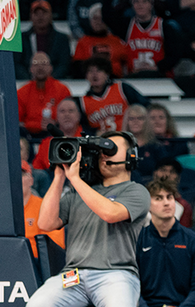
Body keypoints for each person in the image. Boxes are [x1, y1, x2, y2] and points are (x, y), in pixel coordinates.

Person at [27, 130, 150, 307]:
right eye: (100, 151)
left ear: (131, 156)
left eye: (110, 149)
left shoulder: (136, 191)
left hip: (115, 273)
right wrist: (59, 177)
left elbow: (110, 213)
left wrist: (76, 179)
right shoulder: (78, 192)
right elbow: (45, 223)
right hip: (73, 274)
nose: (103, 155)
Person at [137, 179, 195, 307]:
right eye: (158, 198)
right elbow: (132, 284)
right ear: (147, 205)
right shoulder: (137, 240)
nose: (166, 203)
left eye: (169, 197)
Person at [102, 0, 182, 78]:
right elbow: (107, 16)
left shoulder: (163, 26)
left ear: (151, 5)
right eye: (137, 2)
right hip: (134, 76)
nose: (140, 5)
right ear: (132, 5)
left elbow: (175, 53)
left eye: (144, 1)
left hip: (159, 77)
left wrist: (158, 67)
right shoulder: (127, 26)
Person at [79, 56, 149, 132]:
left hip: (127, 138)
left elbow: (146, 105)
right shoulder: (82, 101)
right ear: (86, 76)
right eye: (90, 71)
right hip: (101, 141)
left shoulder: (122, 88)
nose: (94, 74)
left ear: (107, 74)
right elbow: (84, 128)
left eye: (99, 70)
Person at [17, 52, 71, 137]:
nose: (40, 67)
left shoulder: (62, 90)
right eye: (36, 64)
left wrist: (55, 123)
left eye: (44, 63)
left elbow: (69, 118)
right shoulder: (22, 92)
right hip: (29, 136)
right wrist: (34, 125)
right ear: (30, 68)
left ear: (51, 68)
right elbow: (18, 121)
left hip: (56, 134)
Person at [16, 0, 71, 80]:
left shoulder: (61, 39)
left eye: (44, 13)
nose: (40, 17)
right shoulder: (21, 39)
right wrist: (29, 79)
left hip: (54, 83)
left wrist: (50, 80)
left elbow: (64, 64)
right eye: (36, 13)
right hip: (27, 82)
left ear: (51, 15)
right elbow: (17, 64)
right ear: (31, 16)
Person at [21, 159, 65, 257]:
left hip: (37, 264)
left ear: (31, 180)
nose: (17, 179)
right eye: (13, 175)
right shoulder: (0, 210)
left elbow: (56, 245)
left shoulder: (45, 207)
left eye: (22, 174)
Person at [72, 4, 128, 78]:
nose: (99, 22)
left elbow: (127, 65)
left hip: (114, 80)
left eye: (102, 19)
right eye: (95, 18)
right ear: (90, 20)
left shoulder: (117, 41)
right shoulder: (82, 42)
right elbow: (78, 68)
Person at [33, 97, 83, 170]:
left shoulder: (88, 140)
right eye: (62, 111)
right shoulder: (47, 143)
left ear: (79, 115)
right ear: (56, 117)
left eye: (71, 111)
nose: (67, 114)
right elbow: (37, 170)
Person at [122, 104, 166, 177]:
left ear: (146, 121)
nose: (135, 122)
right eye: (131, 118)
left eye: (140, 118)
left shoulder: (156, 146)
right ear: (127, 122)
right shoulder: (120, 146)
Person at [152, 157, 193, 227]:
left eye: (172, 172)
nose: (167, 175)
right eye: (163, 170)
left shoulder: (184, 206)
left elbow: (183, 234)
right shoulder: (144, 200)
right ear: (154, 174)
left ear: (178, 178)